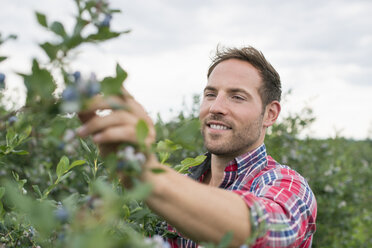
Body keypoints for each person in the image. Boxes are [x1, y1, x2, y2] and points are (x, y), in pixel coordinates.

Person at [77, 46, 317, 247]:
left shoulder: (288, 186)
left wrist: (146, 174)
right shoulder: (184, 181)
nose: (216, 107)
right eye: (211, 94)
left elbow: (263, 228)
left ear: (270, 114)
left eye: (237, 97)